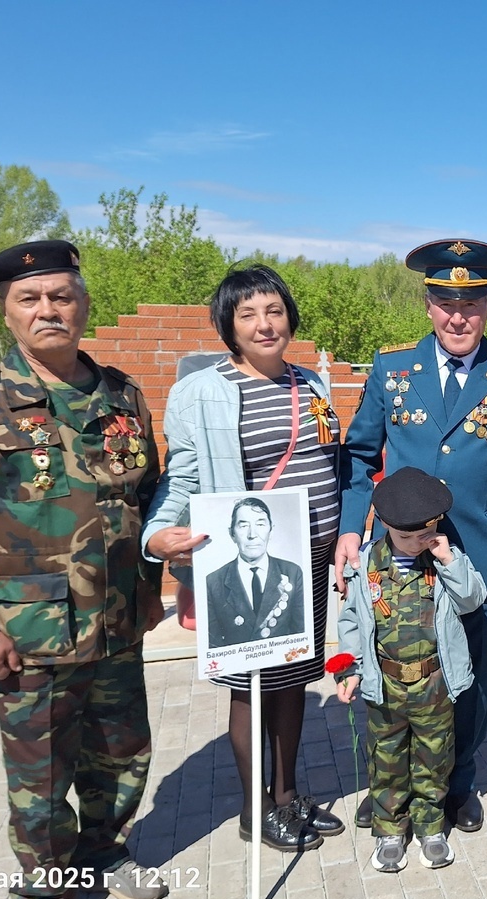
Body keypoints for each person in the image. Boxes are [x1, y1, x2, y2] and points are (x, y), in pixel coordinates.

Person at [0, 240, 167, 899]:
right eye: (30, 299)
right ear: (8, 312)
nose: (47, 309)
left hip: (116, 619)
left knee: (121, 751)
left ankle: (106, 850)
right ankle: (49, 891)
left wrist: (151, 589)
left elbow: (147, 499)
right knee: (41, 769)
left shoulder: (121, 395)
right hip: (31, 629)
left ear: (83, 305)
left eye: (61, 296)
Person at [336, 238, 487, 833]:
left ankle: (458, 782)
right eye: (446, 303)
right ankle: (395, 786)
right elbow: (359, 455)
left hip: (478, 554)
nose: (458, 317)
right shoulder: (393, 369)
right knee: (394, 674)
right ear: (428, 305)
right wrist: (351, 528)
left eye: (471, 303)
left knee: (468, 678)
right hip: (400, 557)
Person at [142, 264, 344, 852]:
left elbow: (326, 461)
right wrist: (158, 533)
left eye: (274, 311)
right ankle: (255, 810)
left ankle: (287, 793)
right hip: (248, 559)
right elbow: (182, 475)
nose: (264, 324)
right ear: (228, 325)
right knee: (252, 683)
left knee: (294, 677)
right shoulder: (202, 390)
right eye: (248, 314)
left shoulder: (311, 383)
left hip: (307, 558)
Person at [334, 467, 486, 872]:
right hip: (384, 685)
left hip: (434, 684)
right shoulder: (365, 565)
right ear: (385, 524)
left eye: (427, 532)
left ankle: (431, 827)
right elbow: (351, 622)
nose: (420, 542)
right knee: (386, 761)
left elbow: (472, 600)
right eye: (408, 537)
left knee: (434, 759)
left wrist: (448, 559)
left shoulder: (445, 558)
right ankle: (389, 831)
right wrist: (349, 669)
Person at [205, 498, 305, 649]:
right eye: (243, 525)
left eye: (260, 524)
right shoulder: (213, 582)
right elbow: (213, 643)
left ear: (271, 531)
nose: (252, 534)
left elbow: (300, 632)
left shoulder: (292, 572)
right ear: (232, 533)